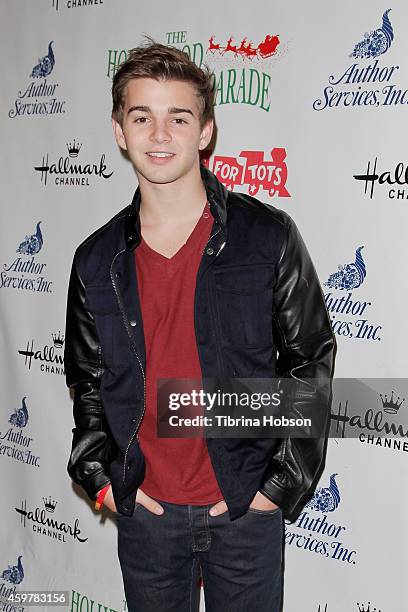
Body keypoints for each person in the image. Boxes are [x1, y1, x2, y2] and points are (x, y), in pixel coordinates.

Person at [64, 40, 336, 612]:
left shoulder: (268, 237)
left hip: (243, 511)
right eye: (142, 117)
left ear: (205, 131)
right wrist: (100, 476)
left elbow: (309, 360)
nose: (159, 135)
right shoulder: (96, 260)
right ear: (119, 131)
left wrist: (277, 487)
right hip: (147, 515)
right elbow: (86, 379)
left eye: (178, 117)